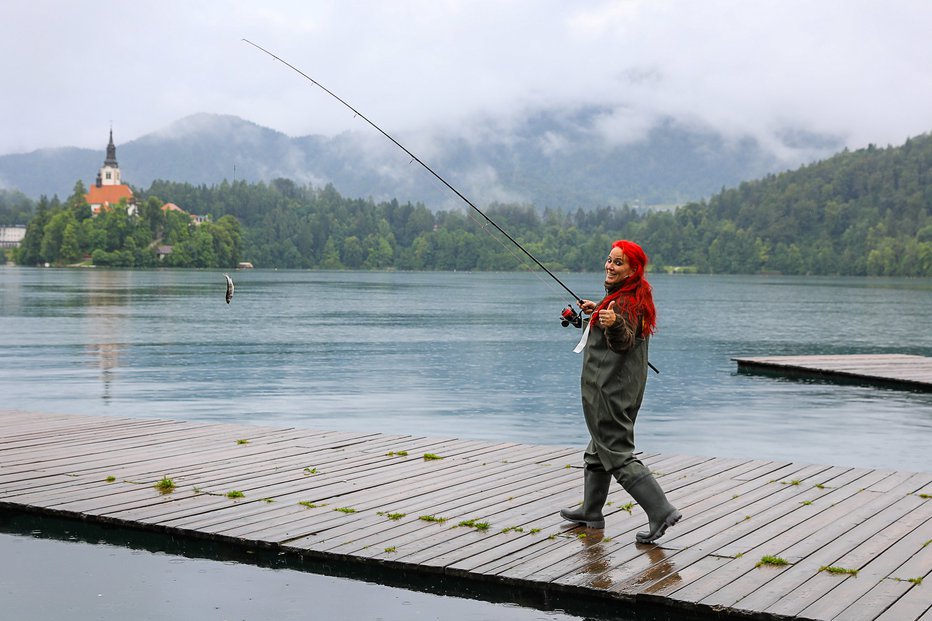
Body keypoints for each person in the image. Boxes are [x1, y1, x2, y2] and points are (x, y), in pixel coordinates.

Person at [560, 239, 681, 543]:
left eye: (618, 263)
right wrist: (597, 312)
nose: (610, 266)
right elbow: (622, 328)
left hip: (609, 389)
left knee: (616, 451)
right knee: (598, 448)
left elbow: (624, 340)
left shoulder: (625, 303)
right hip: (621, 386)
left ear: (632, 270)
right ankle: (591, 511)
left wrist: (612, 322)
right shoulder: (628, 296)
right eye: (610, 260)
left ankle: (661, 510)